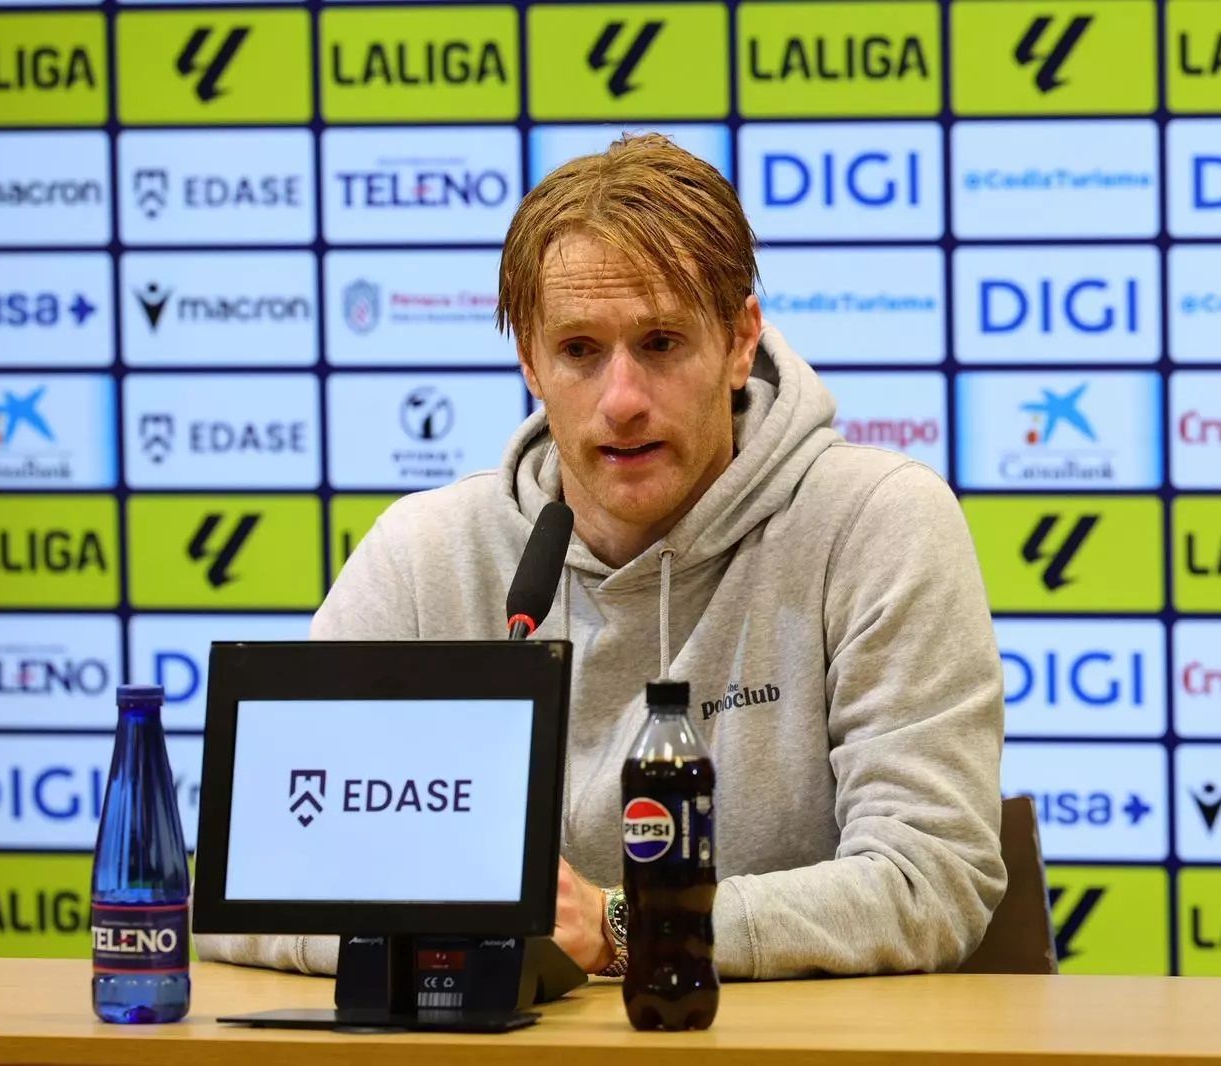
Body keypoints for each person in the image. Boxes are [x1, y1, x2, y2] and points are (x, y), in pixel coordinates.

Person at [197, 133, 1006, 980]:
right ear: (532, 365)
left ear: (738, 341)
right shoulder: (425, 553)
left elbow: (931, 878)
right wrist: (456, 932)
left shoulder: (875, 522)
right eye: (580, 351)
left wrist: (630, 926)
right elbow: (239, 895)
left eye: (660, 343)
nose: (621, 401)